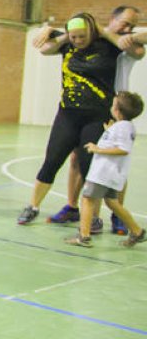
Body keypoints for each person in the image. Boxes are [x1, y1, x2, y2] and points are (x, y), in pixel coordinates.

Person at [17, 13, 125, 225]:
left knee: (89, 167)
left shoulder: (108, 46)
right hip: (68, 115)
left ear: (92, 31)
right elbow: (44, 49)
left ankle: (93, 217)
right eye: (74, 37)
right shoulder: (67, 44)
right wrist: (56, 33)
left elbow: (131, 46)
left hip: (97, 117)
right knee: (51, 161)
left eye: (82, 36)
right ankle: (33, 206)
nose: (78, 41)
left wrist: (103, 32)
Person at [53, 6, 143, 233]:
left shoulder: (125, 42)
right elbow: (57, 38)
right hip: (92, 108)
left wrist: (109, 32)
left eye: (132, 25)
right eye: (125, 23)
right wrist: (48, 31)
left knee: (115, 164)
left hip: (117, 110)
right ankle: (73, 207)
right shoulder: (90, 40)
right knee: (77, 157)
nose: (128, 28)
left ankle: (116, 214)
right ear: (112, 18)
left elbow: (141, 44)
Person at [65, 91, 145, 248]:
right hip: (110, 174)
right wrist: (109, 130)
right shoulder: (122, 126)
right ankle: (137, 231)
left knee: (87, 199)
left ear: (117, 111)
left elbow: (123, 149)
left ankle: (84, 236)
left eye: (113, 105)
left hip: (103, 173)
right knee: (112, 202)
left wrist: (98, 149)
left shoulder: (123, 128)